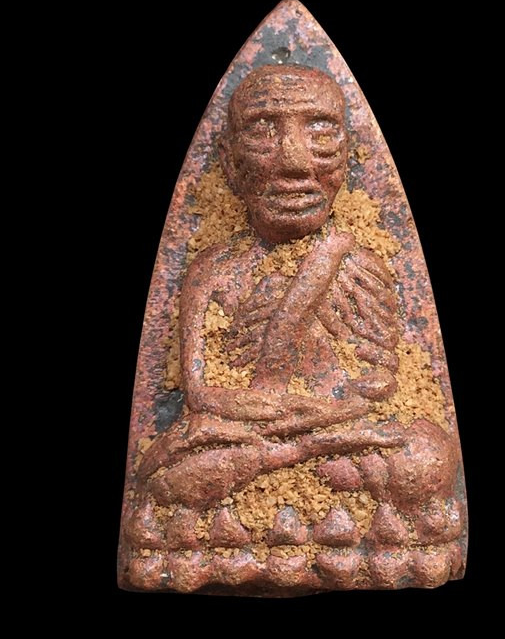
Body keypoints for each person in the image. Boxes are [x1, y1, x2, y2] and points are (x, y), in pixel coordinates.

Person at [127, 65, 456, 550]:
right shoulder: (212, 268)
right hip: (250, 437)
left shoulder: (360, 262)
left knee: (427, 456)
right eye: (263, 131)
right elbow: (200, 393)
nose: (294, 163)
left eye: (320, 131)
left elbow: (381, 384)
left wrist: (325, 415)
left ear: (348, 156)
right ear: (229, 161)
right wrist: (295, 419)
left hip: (335, 432)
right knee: (169, 474)